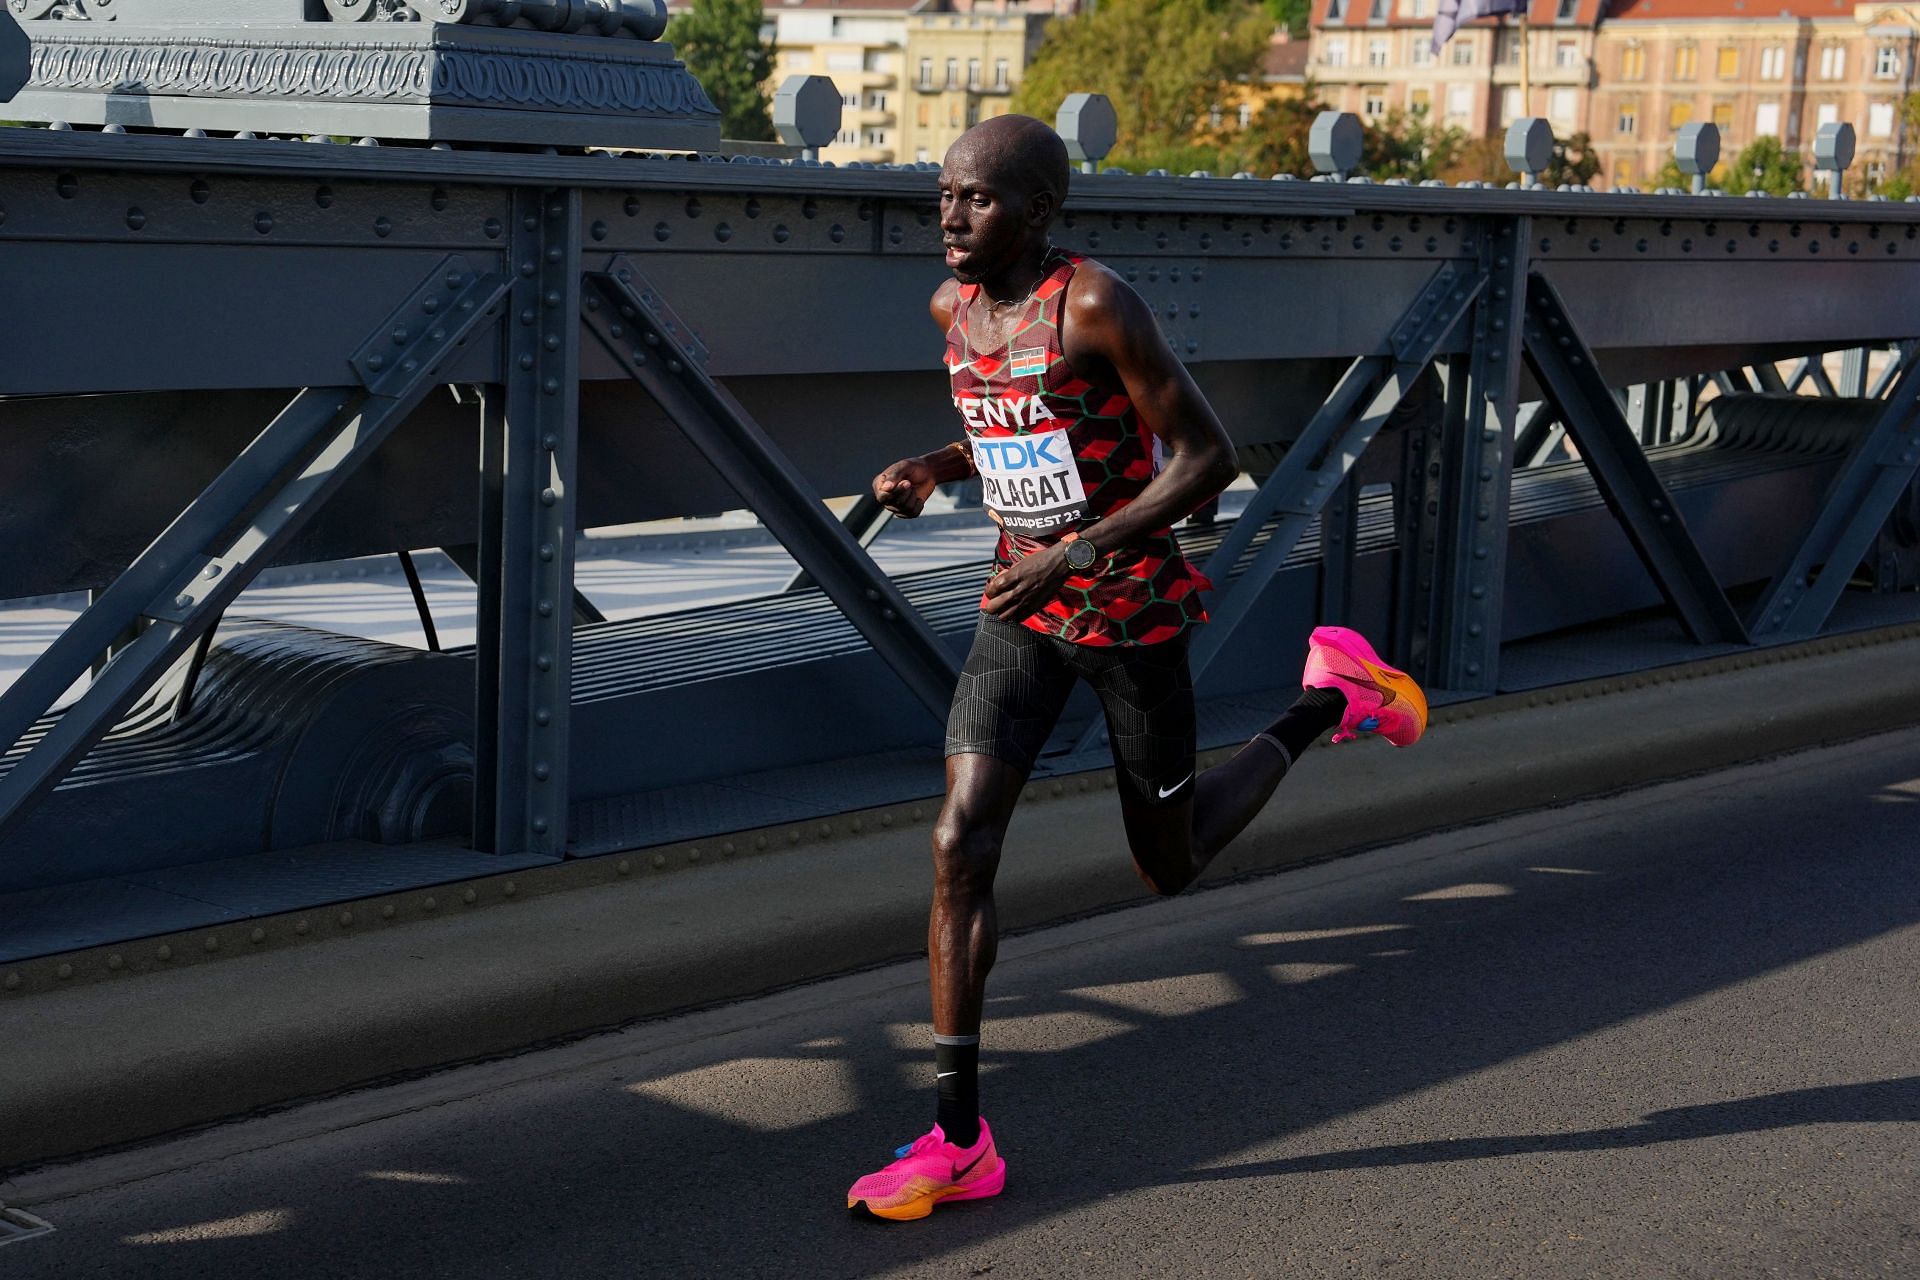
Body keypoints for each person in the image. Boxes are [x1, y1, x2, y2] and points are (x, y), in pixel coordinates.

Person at [845, 115, 1428, 1222]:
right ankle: (959, 1135)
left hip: (1125, 603)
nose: (952, 218)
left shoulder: (1097, 303)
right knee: (958, 841)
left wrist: (1076, 549)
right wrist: (937, 461)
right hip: (1020, 601)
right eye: (944, 198)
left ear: (1040, 210)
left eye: (977, 199)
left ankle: (1328, 699)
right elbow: (1023, 421)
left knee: (1172, 858)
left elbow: (1207, 460)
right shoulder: (952, 309)